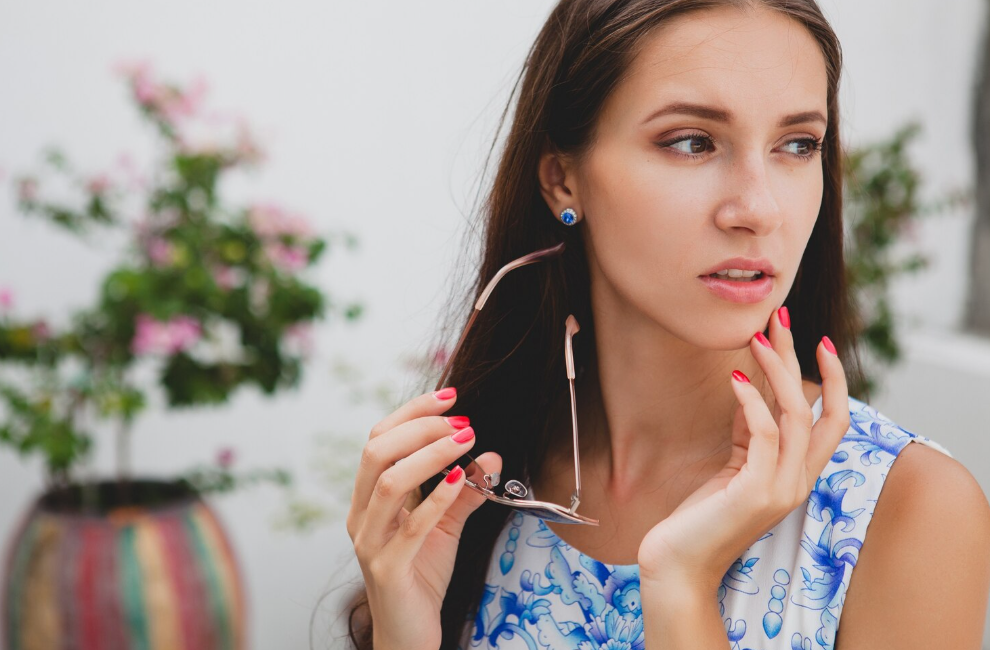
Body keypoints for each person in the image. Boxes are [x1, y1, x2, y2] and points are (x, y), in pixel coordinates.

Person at [343, 1, 990, 648]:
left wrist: (683, 585)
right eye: (692, 142)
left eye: (798, 144)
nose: (758, 209)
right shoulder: (481, 483)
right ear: (562, 180)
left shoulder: (905, 511)